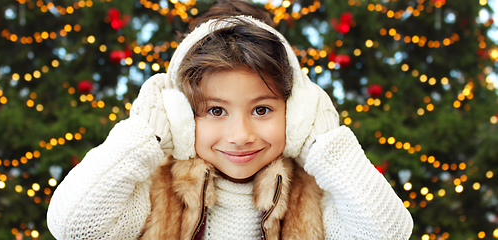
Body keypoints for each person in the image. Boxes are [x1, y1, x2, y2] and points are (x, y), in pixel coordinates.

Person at [47, 1, 414, 239]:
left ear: (298, 111)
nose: (240, 136)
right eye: (216, 110)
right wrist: (144, 133)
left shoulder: (316, 194)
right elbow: (74, 227)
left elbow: (388, 233)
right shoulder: (153, 189)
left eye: (262, 109)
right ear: (180, 117)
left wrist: (326, 144)